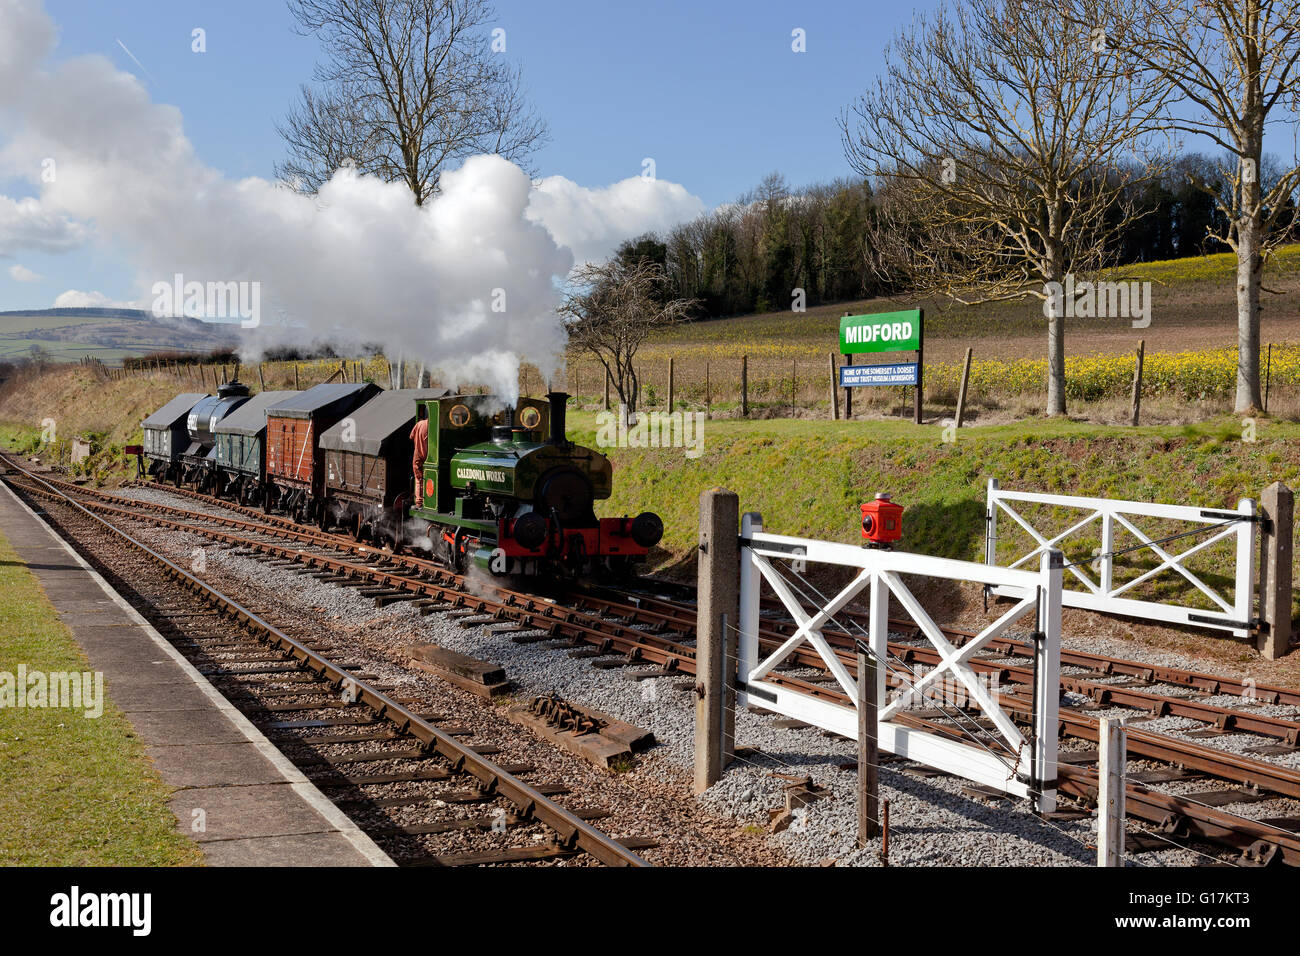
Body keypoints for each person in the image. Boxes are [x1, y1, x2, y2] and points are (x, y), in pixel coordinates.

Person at [410, 405, 429, 508]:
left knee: (418, 479)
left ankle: (419, 502)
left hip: (418, 454)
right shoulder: (433, 425)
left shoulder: (419, 424)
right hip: (429, 454)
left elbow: (411, 436)